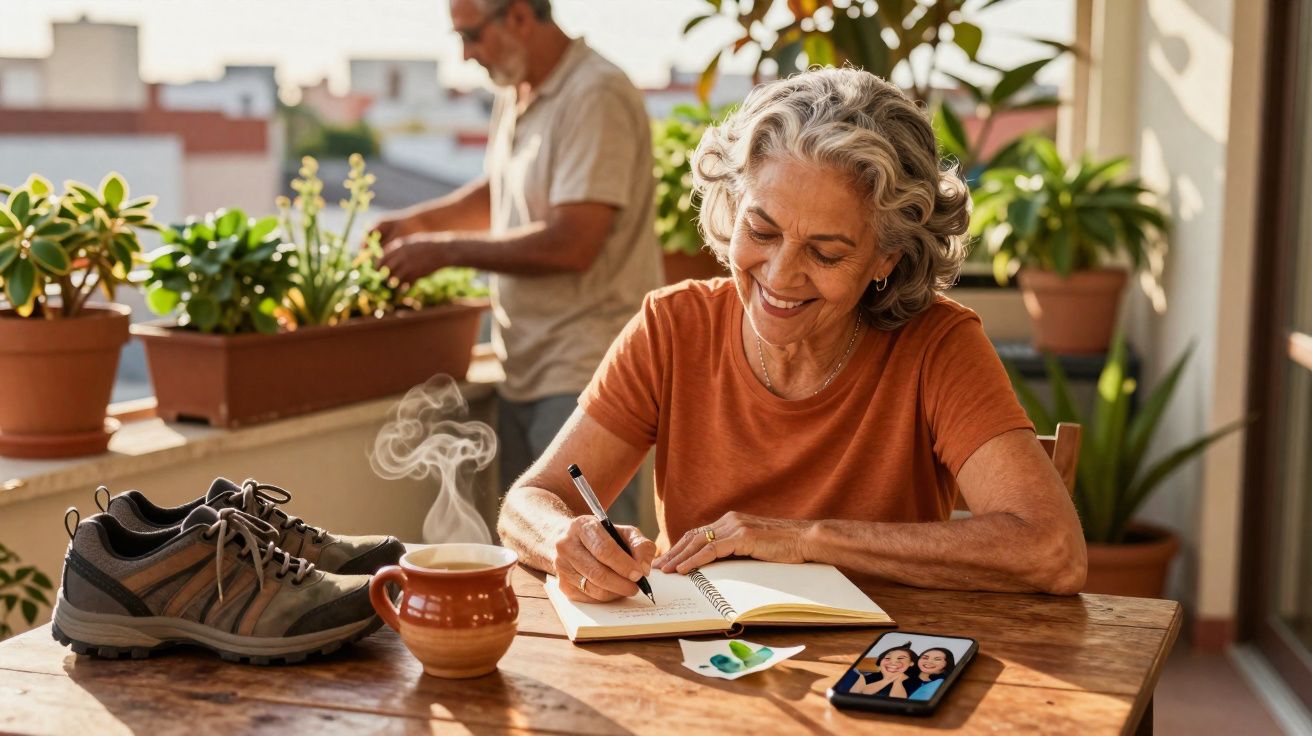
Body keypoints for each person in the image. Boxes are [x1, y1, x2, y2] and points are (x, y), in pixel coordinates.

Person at [495, 67, 1087, 603]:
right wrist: (564, 540)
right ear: (733, 207)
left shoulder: (939, 345)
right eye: (761, 229)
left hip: (882, 669)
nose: (779, 277)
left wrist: (807, 539)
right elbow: (530, 500)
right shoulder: (673, 327)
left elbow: (1051, 551)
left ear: (887, 258)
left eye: (826, 253)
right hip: (711, 662)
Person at [374, 0, 663, 525]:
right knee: (533, 556)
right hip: (526, 364)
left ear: (520, 17)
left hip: (585, 374)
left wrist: (446, 251)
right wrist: (418, 223)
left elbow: (574, 241)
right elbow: (502, 189)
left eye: (471, 35)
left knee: (596, 563)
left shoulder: (594, 93)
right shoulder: (517, 90)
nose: (465, 55)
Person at [835, 643, 918, 697]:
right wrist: (888, 679)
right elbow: (854, 694)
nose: (893, 662)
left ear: (911, 663)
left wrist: (898, 681)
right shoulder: (866, 677)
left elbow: (899, 700)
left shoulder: (914, 681)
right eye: (887, 658)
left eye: (900, 658)